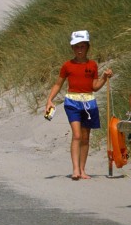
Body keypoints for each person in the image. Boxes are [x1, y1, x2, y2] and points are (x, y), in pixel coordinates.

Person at [44, 29, 112, 181]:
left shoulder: (93, 65)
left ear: (87, 47)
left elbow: (94, 86)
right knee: (77, 135)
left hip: (89, 102)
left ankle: (82, 169)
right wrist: (49, 100)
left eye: (82, 46)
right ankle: (75, 169)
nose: (79, 49)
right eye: (76, 46)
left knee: (86, 137)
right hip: (72, 102)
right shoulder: (67, 65)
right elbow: (58, 84)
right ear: (72, 48)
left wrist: (104, 78)